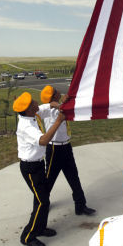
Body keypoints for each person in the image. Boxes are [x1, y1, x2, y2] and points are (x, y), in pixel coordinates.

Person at [14, 91, 66, 246]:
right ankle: (28, 236)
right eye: (33, 102)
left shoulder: (32, 114)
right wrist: (58, 120)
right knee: (43, 201)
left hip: (37, 164)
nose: (37, 102)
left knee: (42, 200)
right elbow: (43, 141)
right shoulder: (26, 126)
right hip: (30, 168)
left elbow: (47, 106)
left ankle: (41, 227)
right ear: (29, 109)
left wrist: (58, 105)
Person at [38, 85, 95, 216]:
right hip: (54, 149)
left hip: (66, 147)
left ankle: (80, 205)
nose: (59, 91)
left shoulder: (60, 106)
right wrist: (61, 103)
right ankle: (41, 205)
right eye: (55, 91)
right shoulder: (49, 110)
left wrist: (65, 101)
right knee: (49, 180)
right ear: (53, 97)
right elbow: (57, 109)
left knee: (73, 177)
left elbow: (65, 106)